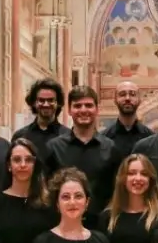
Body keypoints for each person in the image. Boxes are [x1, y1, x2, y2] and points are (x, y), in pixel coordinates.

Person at [45, 85, 120, 226]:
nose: (83, 110)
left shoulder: (111, 148)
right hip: (62, 225)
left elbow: (117, 193)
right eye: (77, 106)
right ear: (69, 110)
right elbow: (47, 192)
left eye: (89, 105)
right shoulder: (53, 147)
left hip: (101, 227)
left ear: (97, 109)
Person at [13, 78, 71, 168]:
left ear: (58, 103)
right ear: (34, 103)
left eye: (50, 100)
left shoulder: (68, 136)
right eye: (41, 100)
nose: (46, 104)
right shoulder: (20, 136)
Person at [101, 81, 154, 162]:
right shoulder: (103, 138)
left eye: (132, 94)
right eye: (122, 94)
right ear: (115, 100)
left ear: (139, 100)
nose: (127, 98)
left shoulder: (151, 139)